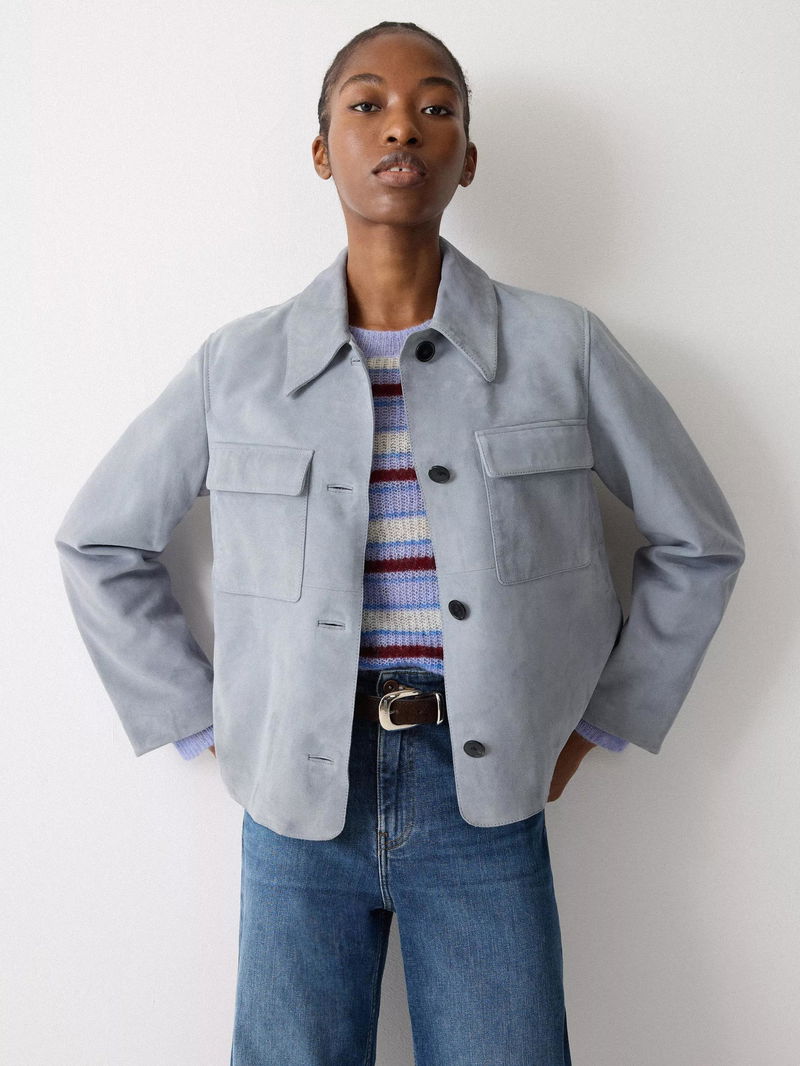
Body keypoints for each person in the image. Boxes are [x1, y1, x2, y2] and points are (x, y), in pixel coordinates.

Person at [54, 21, 746, 1066]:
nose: (401, 129)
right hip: (297, 801)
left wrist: (600, 725)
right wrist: (207, 724)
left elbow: (699, 540)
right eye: (366, 104)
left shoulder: (560, 349)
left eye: (435, 108)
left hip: (484, 794)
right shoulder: (237, 366)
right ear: (321, 150)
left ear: (468, 155)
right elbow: (99, 541)